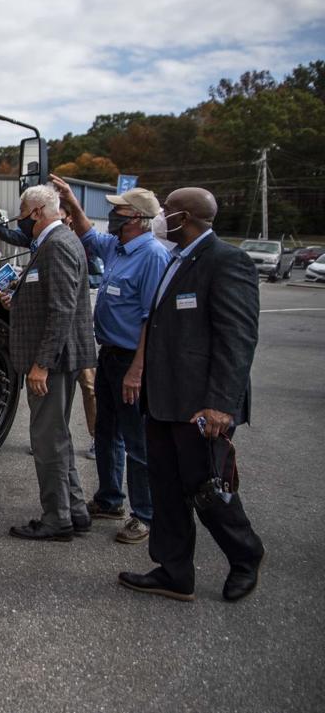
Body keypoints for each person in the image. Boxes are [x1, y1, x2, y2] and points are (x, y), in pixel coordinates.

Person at [119, 188, 265, 602]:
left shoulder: (226, 261)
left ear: (186, 216)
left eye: (167, 210)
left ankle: (246, 555)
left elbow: (237, 339)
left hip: (200, 404)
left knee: (207, 490)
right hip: (164, 399)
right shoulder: (177, 259)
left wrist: (221, 403)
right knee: (166, 488)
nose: (161, 216)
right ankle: (174, 571)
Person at [52, 177, 170, 546]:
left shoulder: (151, 256)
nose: (113, 215)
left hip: (132, 361)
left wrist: (138, 370)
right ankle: (109, 499)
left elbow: (154, 319)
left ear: (135, 217)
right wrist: (70, 199)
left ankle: (145, 514)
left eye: (118, 210)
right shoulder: (120, 246)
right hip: (109, 356)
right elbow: (88, 234)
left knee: (137, 442)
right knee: (106, 433)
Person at [7, 184, 97, 541]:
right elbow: (48, 296)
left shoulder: (57, 244)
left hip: (53, 361)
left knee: (47, 441)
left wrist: (41, 364)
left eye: (24, 212)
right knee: (57, 436)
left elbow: (62, 310)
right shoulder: (57, 241)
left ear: (38, 212)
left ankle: (56, 518)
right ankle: (74, 509)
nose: (22, 219)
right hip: (59, 357)